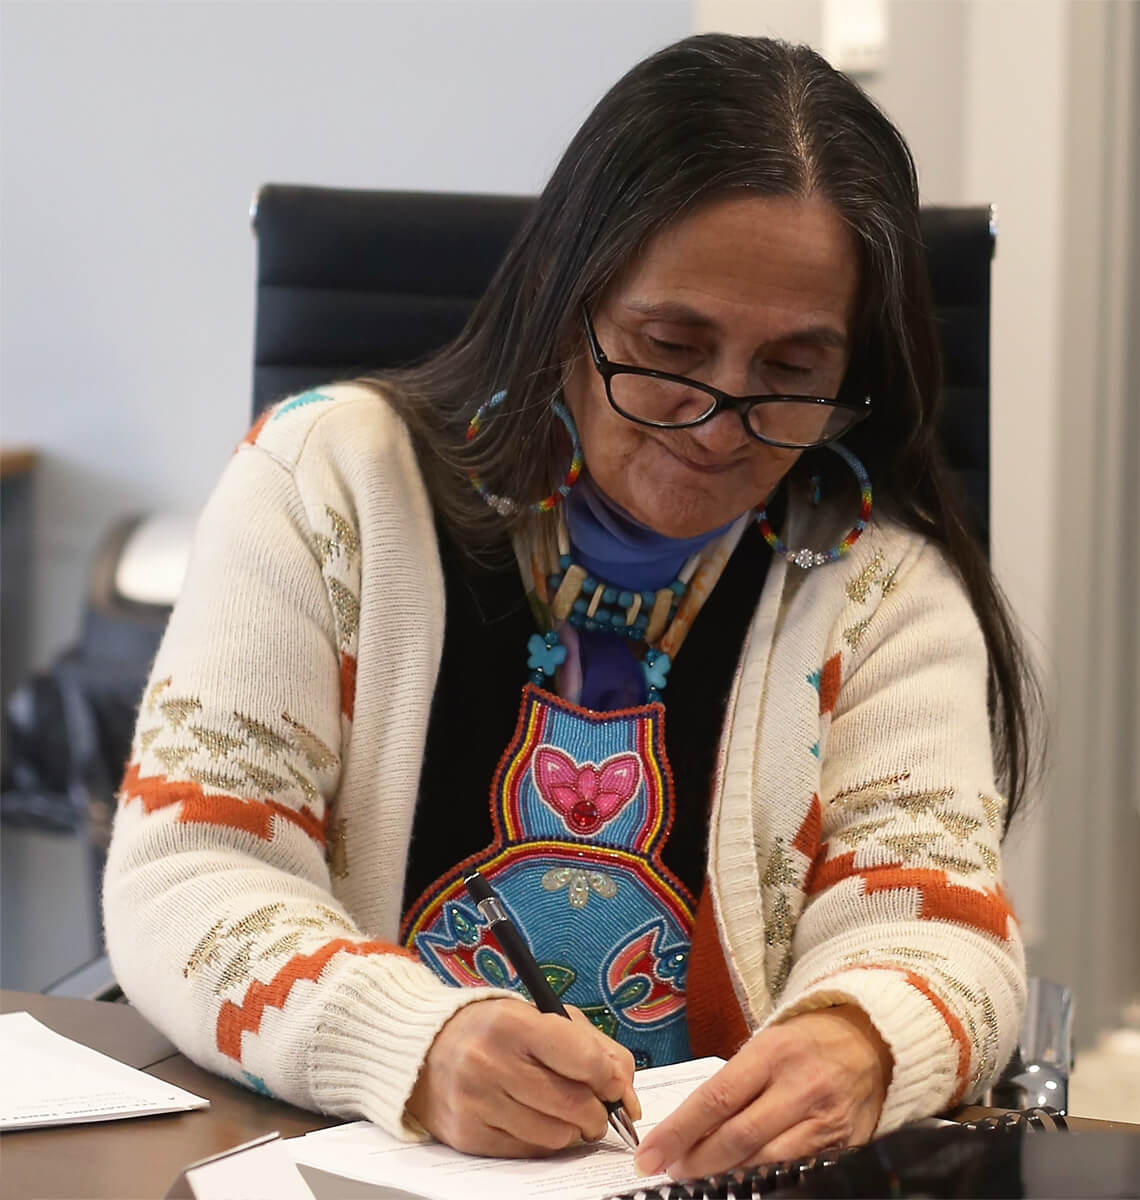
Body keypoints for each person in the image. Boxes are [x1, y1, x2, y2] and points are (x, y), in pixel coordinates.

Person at [103, 34, 1041, 1181]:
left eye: (793, 373)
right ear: (568, 299)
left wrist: (856, 1044)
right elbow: (187, 870)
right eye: (669, 349)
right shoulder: (327, 488)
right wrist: (416, 1041)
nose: (714, 427)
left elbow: (948, 936)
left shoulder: (883, 586)